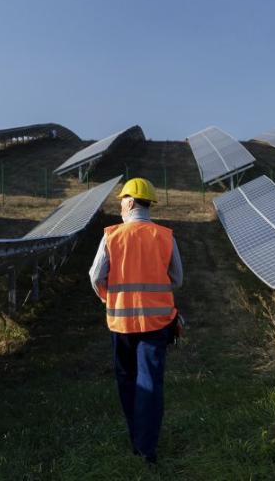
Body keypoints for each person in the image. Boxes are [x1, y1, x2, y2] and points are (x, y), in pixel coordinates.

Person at [89, 177, 183, 465]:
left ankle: (136, 440)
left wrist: (109, 297)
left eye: (121, 202)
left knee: (128, 382)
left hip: (121, 325)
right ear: (149, 204)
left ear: (129, 202)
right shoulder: (165, 236)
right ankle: (147, 448)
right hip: (157, 324)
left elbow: (95, 276)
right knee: (150, 383)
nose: (120, 207)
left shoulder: (112, 236)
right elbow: (177, 279)